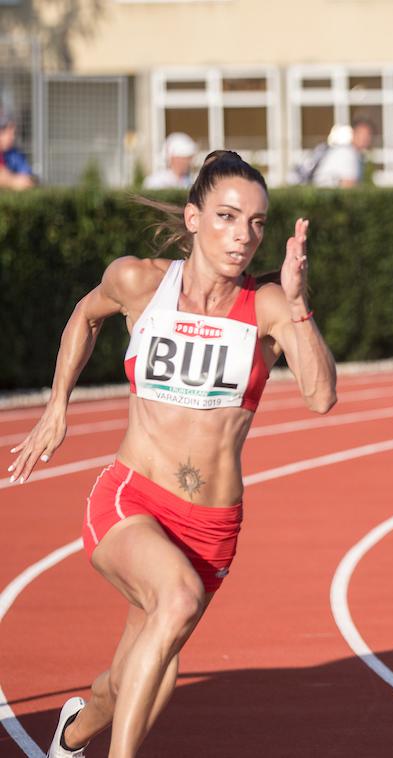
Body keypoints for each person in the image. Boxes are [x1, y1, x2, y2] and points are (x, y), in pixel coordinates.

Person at [7, 150, 337, 757]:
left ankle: (73, 735)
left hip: (212, 528)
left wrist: (297, 304)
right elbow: (85, 316)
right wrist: (57, 406)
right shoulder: (140, 282)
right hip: (132, 499)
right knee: (176, 599)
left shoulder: (264, 307)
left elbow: (320, 397)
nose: (243, 236)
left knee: (141, 674)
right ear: (192, 218)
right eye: (227, 217)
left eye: (257, 223)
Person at [311, 116, 375, 187]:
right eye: (362, 134)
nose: (366, 138)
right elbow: (348, 185)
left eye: (368, 135)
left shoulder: (351, 153)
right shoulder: (348, 154)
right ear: (353, 133)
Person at [0, 111, 36, 190]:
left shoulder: (14, 154)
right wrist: (13, 181)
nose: (13, 137)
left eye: (14, 134)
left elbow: (29, 177)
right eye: (9, 134)